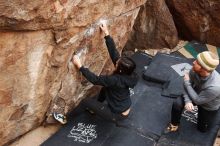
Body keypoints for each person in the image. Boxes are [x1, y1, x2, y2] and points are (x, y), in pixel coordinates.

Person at [72, 23, 138, 121]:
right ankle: (94, 109)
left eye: (117, 63)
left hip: (117, 114)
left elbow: (95, 80)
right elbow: (114, 53)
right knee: (105, 89)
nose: (117, 60)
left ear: (119, 69)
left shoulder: (114, 80)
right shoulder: (129, 74)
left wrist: (80, 66)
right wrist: (107, 34)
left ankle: (66, 119)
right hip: (124, 106)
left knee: (85, 102)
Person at [166, 51, 220, 133]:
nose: (193, 62)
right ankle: (174, 124)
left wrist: (187, 83)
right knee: (177, 103)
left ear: (204, 68)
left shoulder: (215, 86)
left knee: (202, 129)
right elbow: (185, 85)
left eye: (197, 62)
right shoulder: (195, 70)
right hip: (195, 94)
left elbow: (197, 100)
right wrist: (187, 101)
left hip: (208, 105)